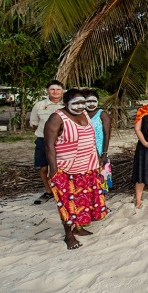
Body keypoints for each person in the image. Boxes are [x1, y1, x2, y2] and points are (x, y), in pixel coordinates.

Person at [44, 88, 109, 250]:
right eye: (76, 103)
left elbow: (91, 139)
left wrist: (98, 159)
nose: (81, 106)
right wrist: (53, 169)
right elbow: (49, 146)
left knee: (83, 200)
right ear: (66, 104)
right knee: (67, 202)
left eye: (83, 102)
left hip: (88, 166)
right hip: (66, 168)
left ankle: (79, 227)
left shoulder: (85, 114)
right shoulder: (56, 118)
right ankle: (69, 235)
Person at [29, 80, 64, 205]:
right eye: (52, 89)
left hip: (61, 141)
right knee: (43, 168)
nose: (55, 92)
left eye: (58, 89)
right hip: (42, 140)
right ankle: (48, 191)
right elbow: (34, 123)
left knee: (61, 167)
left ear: (62, 91)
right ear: (47, 91)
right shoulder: (39, 105)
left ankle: (61, 191)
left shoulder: (66, 105)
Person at [82, 89, 112, 193]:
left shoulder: (102, 114)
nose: (91, 104)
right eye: (88, 101)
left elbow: (107, 134)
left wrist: (104, 154)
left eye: (94, 101)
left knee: (100, 180)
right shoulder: (80, 115)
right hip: (84, 153)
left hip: (100, 151)